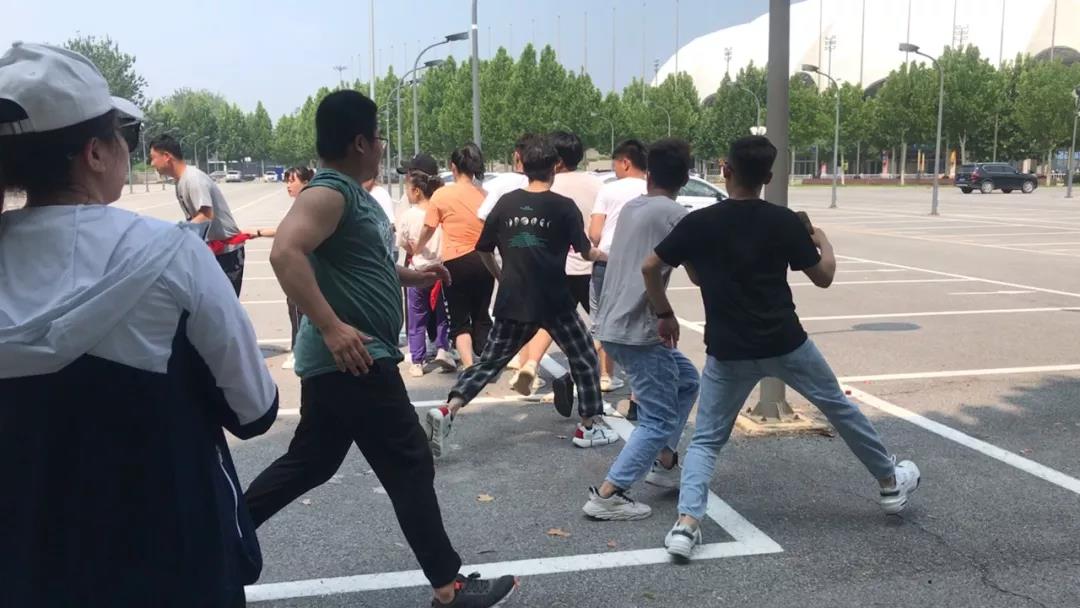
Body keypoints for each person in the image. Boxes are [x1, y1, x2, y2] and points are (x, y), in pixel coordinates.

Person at [0, 42, 278, 607]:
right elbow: (255, 409)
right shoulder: (171, 256)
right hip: (173, 564)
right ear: (94, 154)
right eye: (120, 135)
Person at [240, 90, 517, 608]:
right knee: (409, 460)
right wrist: (331, 327)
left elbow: (365, 265)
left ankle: (217, 538)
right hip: (355, 358)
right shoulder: (328, 193)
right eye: (379, 137)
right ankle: (450, 588)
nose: (383, 146)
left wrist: (414, 275)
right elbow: (284, 253)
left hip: (346, 361)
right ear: (361, 142)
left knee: (312, 462)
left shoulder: (353, 195)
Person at [642, 136, 921, 559]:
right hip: (785, 341)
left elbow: (651, 267)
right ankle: (889, 482)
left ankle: (686, 524)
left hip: (728, 348)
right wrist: (823, 241)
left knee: (706, 440)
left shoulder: (699, 223)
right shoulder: (783, 221)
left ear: (725, 169)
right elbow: (823, 276)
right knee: (838, 407)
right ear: (769, 177)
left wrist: (664, 312)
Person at [426, 134, 619, 457]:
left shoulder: (506, 203)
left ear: (522, 165)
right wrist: (609, 256)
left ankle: (449, 408)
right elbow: (586, 252)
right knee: (584, 357)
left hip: (513, 298)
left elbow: (483, 248)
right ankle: (589, 424)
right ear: (555, 166)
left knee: (489, 364)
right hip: (555, 300)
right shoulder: (564, 207)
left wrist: (501, 275)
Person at [582, 138, 700, 521]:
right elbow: (696, 273)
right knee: (658, 418)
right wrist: (665, 311)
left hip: (614, 322)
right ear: (685, 178)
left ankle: (664, 462)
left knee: (687, 380)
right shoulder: (676, 216)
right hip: (641, 327)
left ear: (648, 174)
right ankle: (609, 493)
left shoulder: (633, 207)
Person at [509, 131, 601, 404]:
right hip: (588, 265)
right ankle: (602, 375)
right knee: (601, 326)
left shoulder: (548, 185)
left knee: (548, 321)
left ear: (555, 160)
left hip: (556, 268)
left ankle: (530, 364)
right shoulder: (596, 184)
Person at [416, 145, 493, 369]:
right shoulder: (485, 195)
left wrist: (418, 247)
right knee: (481, 315)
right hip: (484, 261)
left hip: (455, 262)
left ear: (453, 167)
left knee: (459, 319)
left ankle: (468, 366)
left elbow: (429, 227)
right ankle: (486, 360)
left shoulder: (442, 195)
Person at [148, 133, 247, 295]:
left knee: (221, 305)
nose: (152, 163)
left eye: (153, 158)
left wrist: (176, 233)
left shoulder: (193, 179)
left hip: (227, 253)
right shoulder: (181, 181)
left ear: (166, 157)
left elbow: (206, 216)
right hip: (212, 251)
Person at [590, 139, 648, 392]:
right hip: (642, 265)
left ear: (625, 162)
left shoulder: (608, 190)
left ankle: (605, 374)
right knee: (639, 321)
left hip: (607, 261)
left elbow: (594, 233)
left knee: (603, 320)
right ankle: (638, 384)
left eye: (615, 163)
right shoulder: (651, 189)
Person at [246, 165, 315, 370]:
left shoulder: (308, 206)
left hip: (305, 265)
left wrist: (258, 232)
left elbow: (291, 232)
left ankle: (298, 352)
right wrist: (257, 233)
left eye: (292, 181)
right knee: (298, 308)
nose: (288, 185)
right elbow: (283, 230)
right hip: (301, 264)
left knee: (298, 307)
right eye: (287, 181)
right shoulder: (300, 205)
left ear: (306, 183)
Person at [398, 165, 457, 377]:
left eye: (407, 189)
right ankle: (443, 349)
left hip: (417, 271)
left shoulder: (409, 215)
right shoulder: (438, 212)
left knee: (416, 318)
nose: (406, 194)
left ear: (416, 191)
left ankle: (417, 360)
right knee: (441, 315)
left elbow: (403, 242)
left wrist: (414, 249)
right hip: (440, 271)